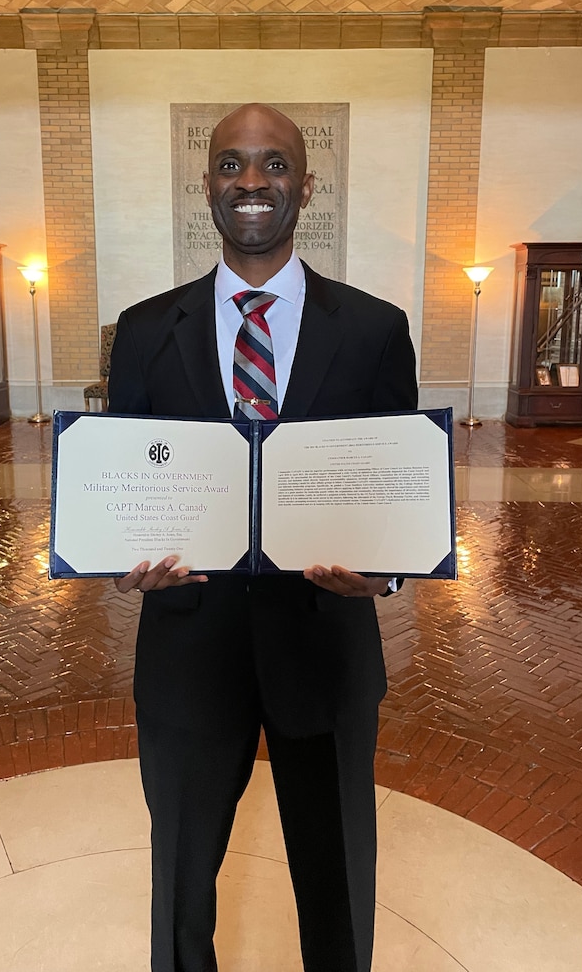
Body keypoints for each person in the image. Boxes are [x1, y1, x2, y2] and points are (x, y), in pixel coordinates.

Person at [108, 103, 418, 972]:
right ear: (206, 184)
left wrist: (386, 577)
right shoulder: (143, 330)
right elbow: (124, 480)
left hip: (323, 646)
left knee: (336, 885)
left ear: (306, 186)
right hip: (187, 648)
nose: (253, 183)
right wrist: (123, 565)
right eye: (233, 165)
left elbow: (398, 488)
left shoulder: (373, 329)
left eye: (274, 166)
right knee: (180, 886)